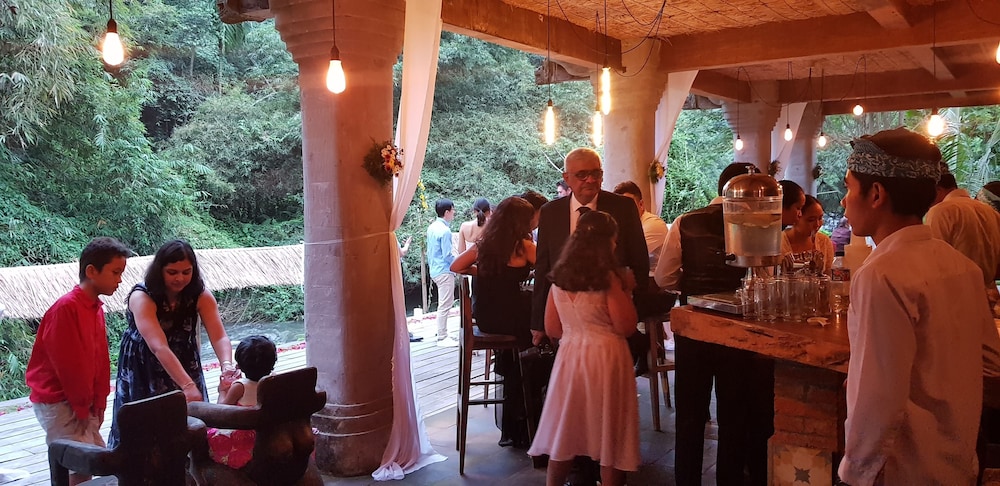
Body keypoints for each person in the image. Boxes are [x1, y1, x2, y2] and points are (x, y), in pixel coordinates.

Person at [837, 128, 1000, 484]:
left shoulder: (880, 275)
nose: (844, 202)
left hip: (905, 469)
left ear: (876, 194)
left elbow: (877, 398)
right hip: (957, 462)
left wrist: (855, 473)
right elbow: (990, 360)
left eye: (848, 188)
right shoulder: (964, 268)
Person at [653, 162, 773, 486]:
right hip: (738, 331)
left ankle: (686, 480)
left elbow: (664, 277)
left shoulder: (685, 221)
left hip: (694, 328)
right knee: (734, 415)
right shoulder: (757, 223)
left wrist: (693, 289)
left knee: (690, 414)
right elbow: (766, 278)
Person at [527, 211, 640, 486]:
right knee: (611, 433)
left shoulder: (560, 278)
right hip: (606, 356)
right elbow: (626, 325)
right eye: (613, 239)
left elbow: (552, 328)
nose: (615, 244)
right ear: (606, 242)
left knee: (566, 429)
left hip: (570, 357)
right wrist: (627, 291)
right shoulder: (609, 279)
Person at [109, 239, 237, 448]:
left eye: (186, 272)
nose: (180, 278)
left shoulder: (200, 295)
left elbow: (219, 336)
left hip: (184, 360)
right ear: (160, 270)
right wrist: (187, 385)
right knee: (145, 430)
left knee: (191, 422)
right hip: (145, 365)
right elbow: (158, 346)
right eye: (172, 272)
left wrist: (227, 366)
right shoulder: (142, 296)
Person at [25, 237, 130, 486]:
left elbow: (100, 360)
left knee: (89, 463)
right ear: (92, 271)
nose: (119, 280)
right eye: (115, 272)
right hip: (59, 399)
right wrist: (83, 407)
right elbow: (69, 366)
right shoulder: (66, 308)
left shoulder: (95, 308)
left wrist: (99, 402)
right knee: (77, 466)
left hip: (82, 401)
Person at [451, 196, 537, 447]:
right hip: (512, 317)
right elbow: (550, 269)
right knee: (539, 334)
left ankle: (513, 390)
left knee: (528, 335)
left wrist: (484, 271)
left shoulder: (484, 244)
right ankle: (527, 411)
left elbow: (456, 266)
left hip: (487, 318)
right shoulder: (524, 246)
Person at [207, 335, 278, 469]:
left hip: (246, 440)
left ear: (239, 365)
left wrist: (223, 390)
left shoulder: (240, 386)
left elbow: (221, 412)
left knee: (209, 435)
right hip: (269, 435)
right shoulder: (275, 381)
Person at [925, 172, 1000, 287]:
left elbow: (934, 262)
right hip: (986, 293)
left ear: (937, 189)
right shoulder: (991, 212)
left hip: (955, 291)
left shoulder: (941, 211)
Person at [612, 180, 668, 269]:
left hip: (652, 276)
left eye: (628, 205)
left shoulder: (654, 224)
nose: (624, 209)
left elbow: (630, 256)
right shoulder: (623, 225)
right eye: (620, 206)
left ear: (641, 204)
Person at [427, 199, 459, 347]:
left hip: (435, 269)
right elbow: (447, 255)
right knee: (445, 304)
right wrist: (460, 262)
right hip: (444, 270)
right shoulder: (445, 231)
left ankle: (442, 331)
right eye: (453, 210)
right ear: (447, 212)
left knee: (443, 303)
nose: (454, 213)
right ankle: (442, 336)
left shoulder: (432, 227)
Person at [781, 195, 835, 275]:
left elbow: (828, 274)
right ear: (796, 217)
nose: (817, 224)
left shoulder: (824, 241)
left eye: (820, 218)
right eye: (811, 220)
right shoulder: (779, 243)